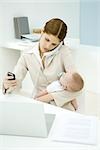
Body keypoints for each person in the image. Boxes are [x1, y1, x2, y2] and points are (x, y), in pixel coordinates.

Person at [2, 18, 84, 111]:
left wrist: (50, 96)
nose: (48, 46)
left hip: (62, 106)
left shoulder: (64, 52)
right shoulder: (27, 54)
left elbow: (78, 88)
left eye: (54, 44)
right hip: (37, 103)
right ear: (42, 32)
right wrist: (7, 85)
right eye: (47, 39)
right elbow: (16, 83)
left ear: (60, 43)